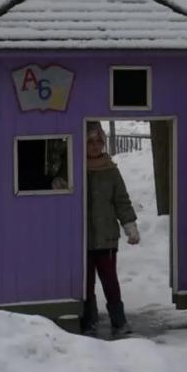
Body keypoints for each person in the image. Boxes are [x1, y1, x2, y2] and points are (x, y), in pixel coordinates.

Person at [80, 122, 139, 337]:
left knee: (110, 281)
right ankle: (88, 320)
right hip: (82, 239)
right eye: (90, 142)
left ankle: (119, 321)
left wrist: (130, 226)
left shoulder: (111, 170)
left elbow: (121, 201)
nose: (95, 146)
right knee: (85, 283)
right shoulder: (76, 168)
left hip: (106, 239)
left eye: (99, 141)